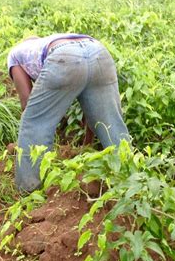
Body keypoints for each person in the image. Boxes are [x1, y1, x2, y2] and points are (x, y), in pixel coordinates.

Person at [7, 33, 130, 192]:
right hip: (99, 51)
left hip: (64, 57)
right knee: (111, 122)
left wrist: (45, 122)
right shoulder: (48, 42)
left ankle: (30, 189)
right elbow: (90, 109)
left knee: (34, 122)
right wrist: (86, 145)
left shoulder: (15, 55)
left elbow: (27, 103)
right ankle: (129, 178)